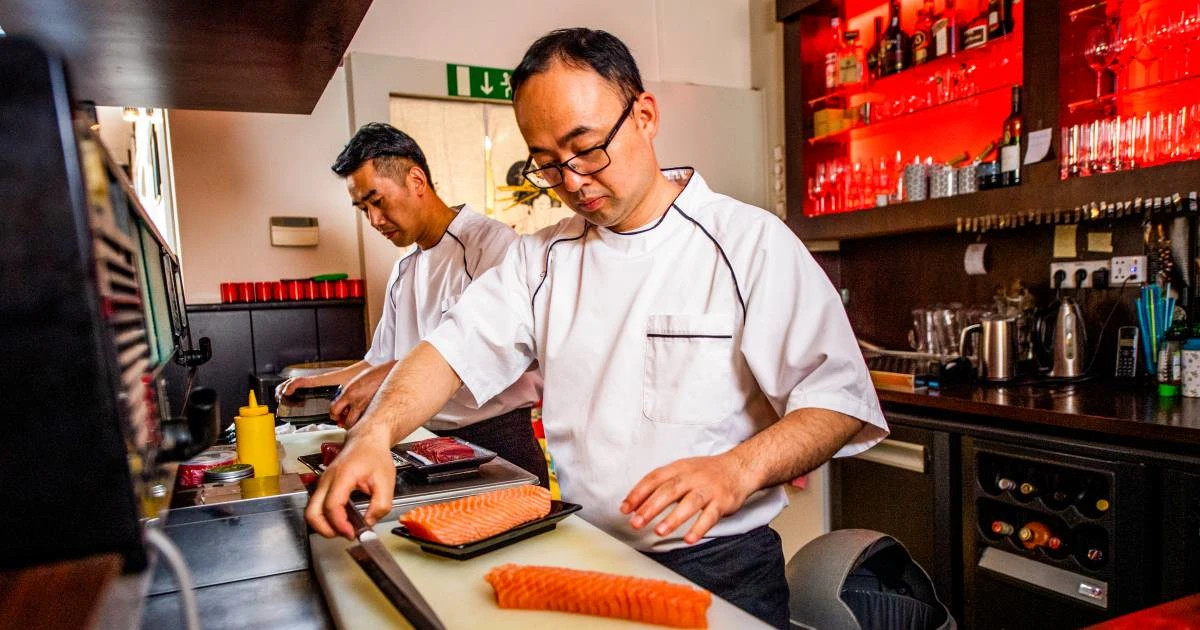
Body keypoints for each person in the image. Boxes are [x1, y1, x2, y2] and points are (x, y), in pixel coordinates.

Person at [306, 30, 888, 628]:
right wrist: (375, 435)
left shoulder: (748, 242)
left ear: (644, 115)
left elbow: (837, 400)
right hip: (585, 551)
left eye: (586, 149)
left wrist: (737, 469)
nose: (573, 180)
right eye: (547, 163)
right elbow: (448, 353)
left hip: (721, 565)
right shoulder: (541, 259)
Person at [278, 123, 547, 485]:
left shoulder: (492, 246)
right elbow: (378, 360)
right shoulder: (404, 271)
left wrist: (382, 378)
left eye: (377, 201)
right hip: (427, 440)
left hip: (496, 439)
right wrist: (313, 383)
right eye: (363, 209)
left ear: (417, 181)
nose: (374, 220)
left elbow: (475, 358)